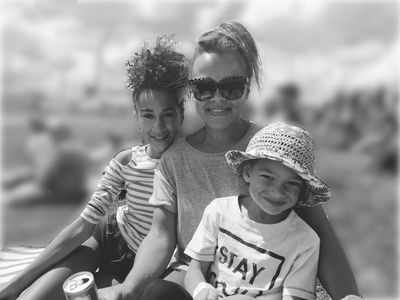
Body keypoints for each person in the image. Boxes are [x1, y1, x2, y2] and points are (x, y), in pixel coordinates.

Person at [100, 21, 361, 300]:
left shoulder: (273, 149)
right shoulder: (174, 159)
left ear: (247, 89)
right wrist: (129, 287)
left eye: (232, 86)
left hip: (261, 284)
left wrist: (349, 297)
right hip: (195, 277)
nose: (217, 98)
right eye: (204, 88)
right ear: (191, 90)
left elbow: (320, 232)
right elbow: (161, 236)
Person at [0, 35, 188, 300]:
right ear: (136, 115)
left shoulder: (186, 164)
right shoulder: (126, 160)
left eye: (167, 114)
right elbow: (85, 225)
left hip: (145, 262)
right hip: (108, 237)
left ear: (181, 113)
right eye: (148, 115)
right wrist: (15, 284)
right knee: (32, 297)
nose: (158, 127)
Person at [184, 122, 330, 300]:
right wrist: (201, 290)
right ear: (247, 173)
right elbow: (196, 269)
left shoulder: (305, 241)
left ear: (302, 191)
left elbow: (295, 297)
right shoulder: (219, 211)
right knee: (159, 291)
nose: (277, 191)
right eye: (267, 177)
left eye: (291, 183)